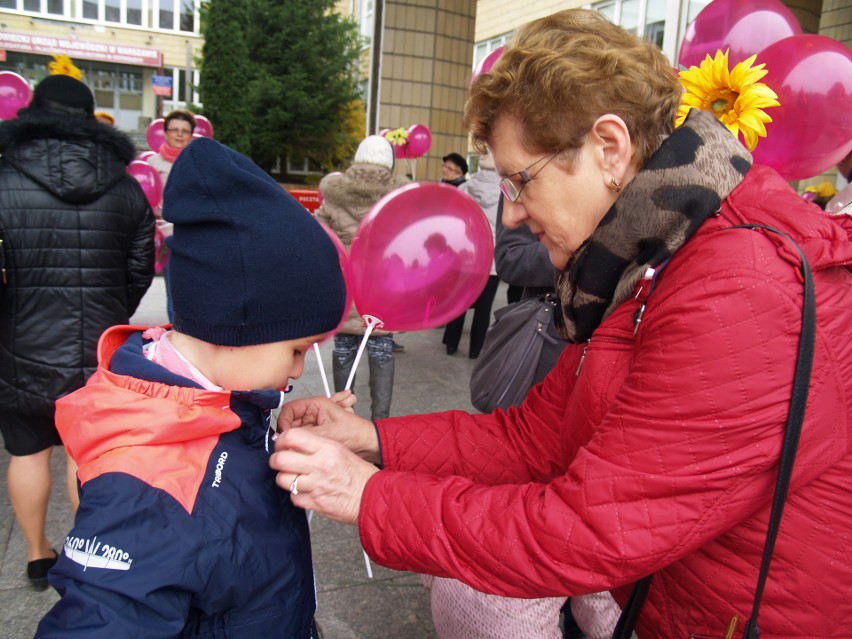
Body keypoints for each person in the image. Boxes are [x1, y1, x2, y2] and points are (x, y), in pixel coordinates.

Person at [269, 9, 852, 639]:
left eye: (521, 182)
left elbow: (589, 528)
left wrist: (367, 495)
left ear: (609, 147)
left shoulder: (739, 284)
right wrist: (372, 441)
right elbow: (533, 439)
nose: (512, 216)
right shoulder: (653, 255)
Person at [36, 137, 350, 637]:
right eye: (295, 349)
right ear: (234, 328)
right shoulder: (144, 490)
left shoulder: (216, 394)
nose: (297, 371)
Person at [0, 74, 154, 591]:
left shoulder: (2, 176)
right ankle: (87, 551)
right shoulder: (128, 186)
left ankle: (38, 555)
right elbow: (139, 271)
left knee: (27, 452)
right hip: (99, 352)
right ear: (93, 122)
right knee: (86, 453)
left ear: (31, 115)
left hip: (19, 345)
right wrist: (109, 317)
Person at [316, 135, 409, 420]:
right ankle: (381, 422)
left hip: (345, 291)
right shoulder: (399, 199)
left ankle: (343, 417)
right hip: (381, 292)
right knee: (381, 351)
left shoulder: (333, 196)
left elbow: (317, 236)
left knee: (344, 350)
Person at [442, 152, 501, 358]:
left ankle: (451, 342)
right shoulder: (507, 191)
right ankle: (476, 349)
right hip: (492, 258)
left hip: (466, 254)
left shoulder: (465, 188)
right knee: (484, 308)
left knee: (461, 300)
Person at [146, 108, 197, 321]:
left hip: (194, 235)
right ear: (165, 133)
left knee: (195, 292)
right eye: (174, 129)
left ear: (191, 135)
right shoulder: (152, 165)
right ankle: (175, 336)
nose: (179, 134)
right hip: (165, 237)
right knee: (173, 292)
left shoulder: (198, 163)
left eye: (184, 131)